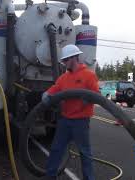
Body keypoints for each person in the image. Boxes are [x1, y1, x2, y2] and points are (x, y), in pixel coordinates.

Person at [42, 44, 99, 180]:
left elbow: (97, 94)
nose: (64, 63)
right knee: (56, 149)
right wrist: (46, 94)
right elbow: (55, 88)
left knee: (85, 153)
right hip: (65, 120)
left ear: (74, 58)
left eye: (65, 60)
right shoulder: (64, 78)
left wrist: (87, 98)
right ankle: (50, 176)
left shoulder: (89, 76)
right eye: (63, 61)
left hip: (81, 121)